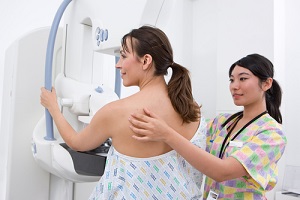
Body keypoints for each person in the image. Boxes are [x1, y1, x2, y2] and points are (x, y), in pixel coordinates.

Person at [40, 25, 206, 199]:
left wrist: (54, 108)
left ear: (145, 61)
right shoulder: (191, 108)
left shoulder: (116, 112)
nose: (118, 65)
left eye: (123, 56)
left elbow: (76, 143)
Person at [129, 53, 287, 200]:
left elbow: (222, 172)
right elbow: (189, 137)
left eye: (243, 79)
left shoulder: (272, 134)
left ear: (266, 83)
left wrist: (166, 134)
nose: (234, 86)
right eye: (232, 80)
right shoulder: (222, 122)